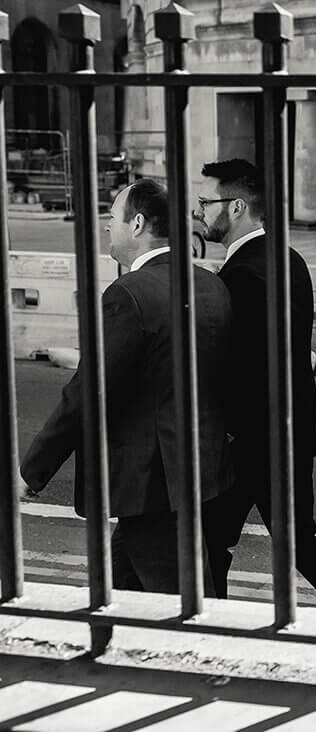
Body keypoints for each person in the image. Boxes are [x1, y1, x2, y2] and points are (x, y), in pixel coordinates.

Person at [19, 179, 233, 593]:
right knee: (119, 593)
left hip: (151, 481)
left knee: (180, 607)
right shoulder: (210, 284)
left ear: (137, 224)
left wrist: (32, 471)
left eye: (111, 219)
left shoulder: (128, 294)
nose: (106, 229)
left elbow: (87, 393)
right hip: (199, 470)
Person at [196, 158, 316, 610]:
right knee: (296, 542)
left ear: (235, 207)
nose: (198, 211)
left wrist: (226, 433)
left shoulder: (243, 275)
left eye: (204, 201)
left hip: (249, 444)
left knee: (209, 544)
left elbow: (246, 368)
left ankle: (209, 627)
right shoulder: (288, 259)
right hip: (286, 435)